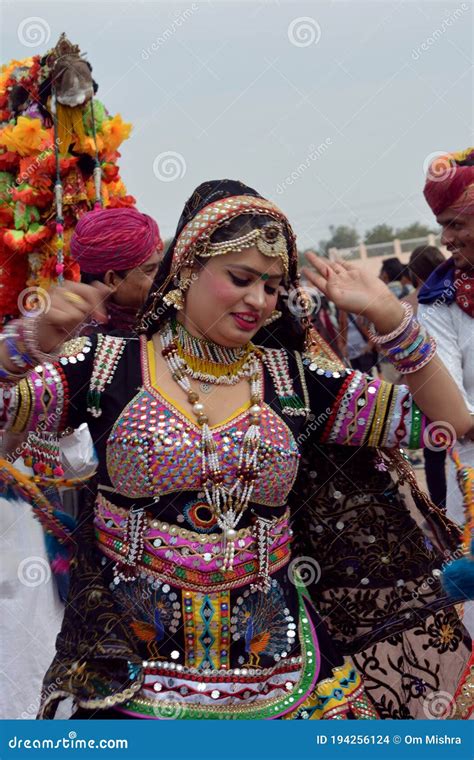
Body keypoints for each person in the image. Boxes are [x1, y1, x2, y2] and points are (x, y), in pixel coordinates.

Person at [0, 180, 471, 720]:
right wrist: (27, 340)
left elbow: (445, 421)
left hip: (283, 677)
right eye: (241, 279)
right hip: (129, 677)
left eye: (271, 287)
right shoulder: (106, 366)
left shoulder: (292, 380)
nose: (258, 301)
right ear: (186, 270)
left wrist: (389, 316)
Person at [70, 206, 164, 333]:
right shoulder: (80, 338)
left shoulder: (170, 315)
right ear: (112, 280)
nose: (162, 276)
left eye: (160, 265)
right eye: (150, 270)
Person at [403, 246, 447, 507]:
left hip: (428, 386)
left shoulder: (407, 305)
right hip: (463, 380)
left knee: (435, 451)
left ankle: (442, 511)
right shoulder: (460, 292)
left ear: (414, 272)